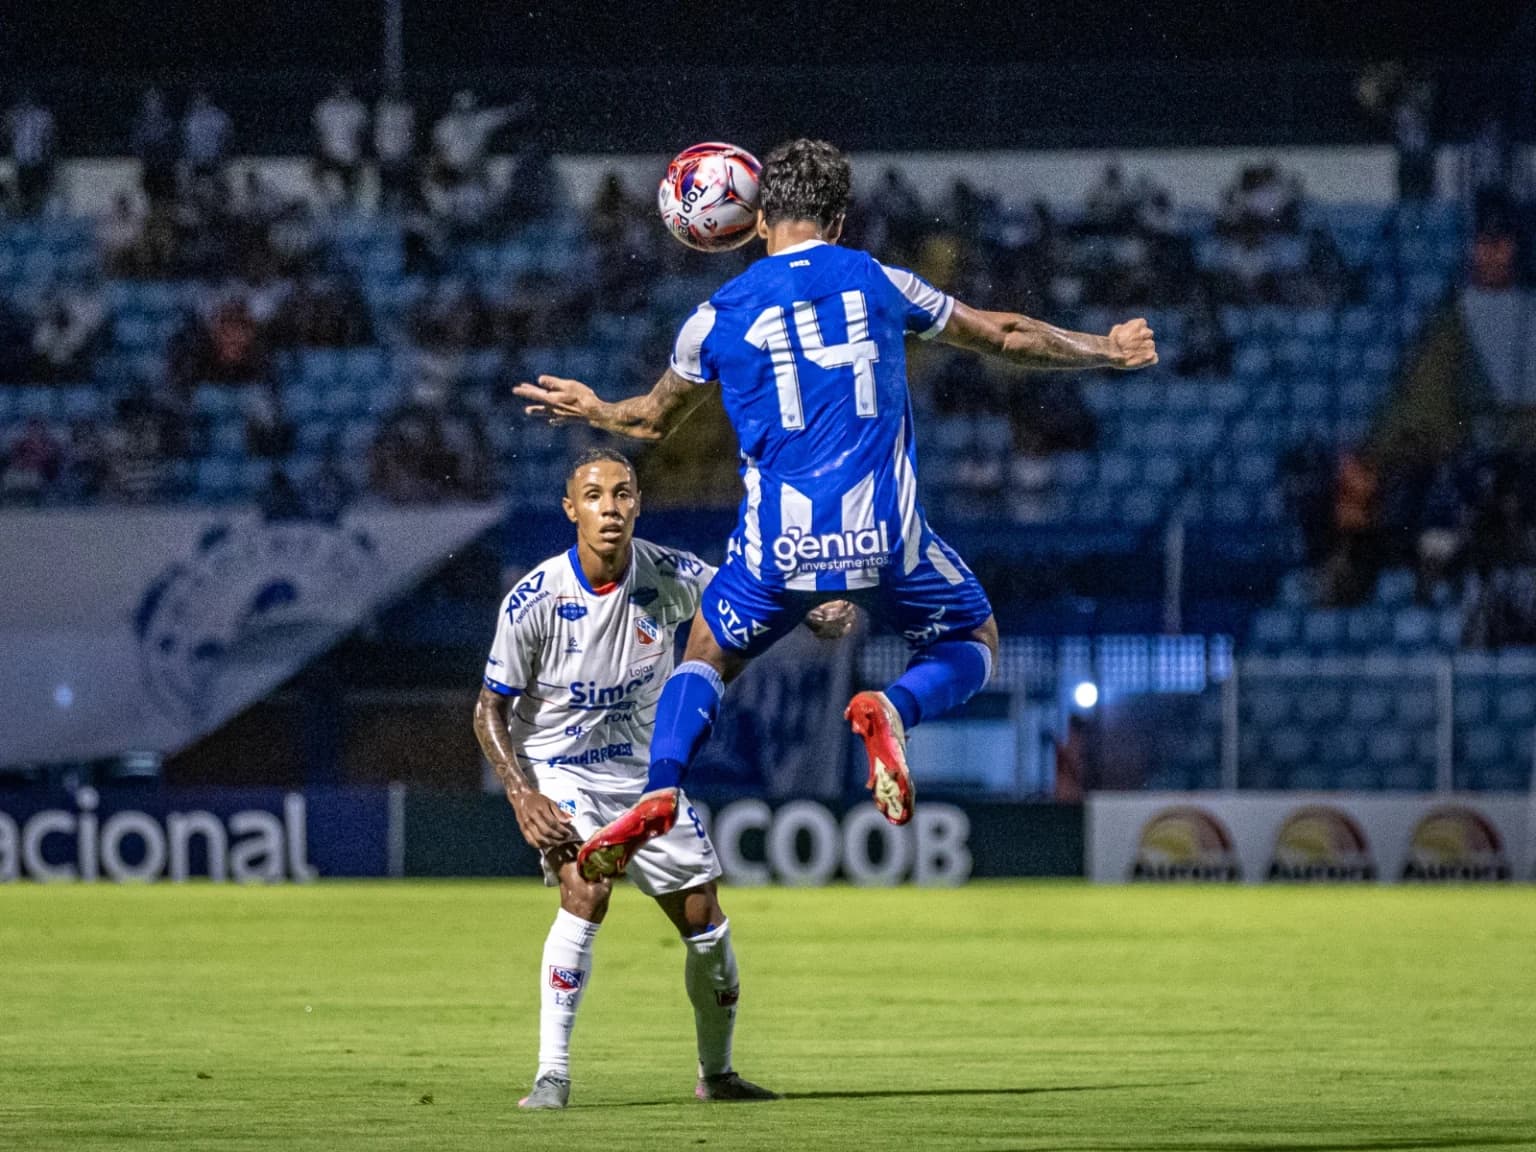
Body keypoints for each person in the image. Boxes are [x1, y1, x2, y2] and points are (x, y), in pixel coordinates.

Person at [514, 139, 1158, 881]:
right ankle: (894, 709)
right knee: (972, 638)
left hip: (776, 553)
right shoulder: (880, 282)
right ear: (842, 219)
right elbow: (1004, 335)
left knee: (705, 656)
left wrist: (597, 406)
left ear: (759, 223)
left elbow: (652, 422)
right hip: (884, 539)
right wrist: (1104, 347)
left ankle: (661, 785)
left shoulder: (714, 317)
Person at [472, 447, 852, 1109]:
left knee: (707, 926)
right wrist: (520, 790)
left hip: (643, 778)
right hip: (557, 770)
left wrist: (811, 611)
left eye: (622, 494)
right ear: (571, 509)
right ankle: (551, 1075)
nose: (610, 508)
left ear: (638, 503)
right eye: (594, 496)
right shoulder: (533, 599)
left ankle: (718, 1075)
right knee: (586, 887)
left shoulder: (668, 573)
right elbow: (488, 708)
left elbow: (744, 601)